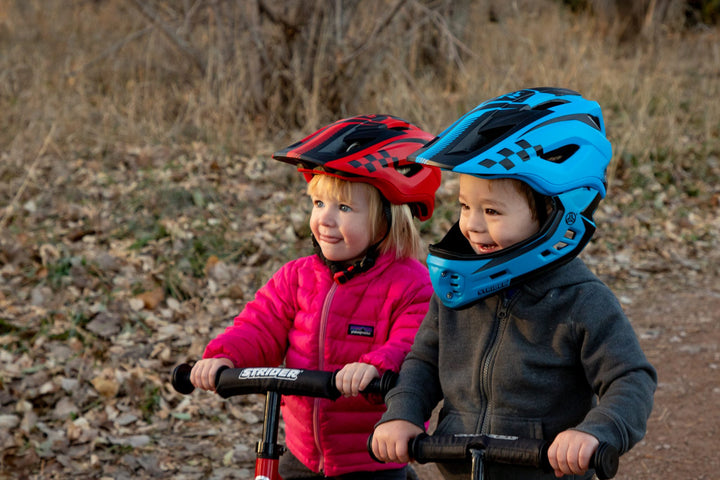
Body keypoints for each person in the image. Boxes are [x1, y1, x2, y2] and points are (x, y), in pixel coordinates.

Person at [370, 88, 657, 479]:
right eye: (465, 207)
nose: (471, 224)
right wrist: (402, 412)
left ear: (556, 211)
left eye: (492, 210)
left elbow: (630, 377)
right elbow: (424, 361)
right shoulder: (455, 290)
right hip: (459, 467)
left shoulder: (581, 301)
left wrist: (595, 432)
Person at [190, 114, 441, 479]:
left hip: (371, 461)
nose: (324, 219)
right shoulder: (296, 277)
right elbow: (259, 325)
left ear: (389, 217)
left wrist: (374, 365)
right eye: (318, 204)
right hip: (302, 455)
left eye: (343, 208)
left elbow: (413, 344)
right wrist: (224, 356)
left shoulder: (411, 285)